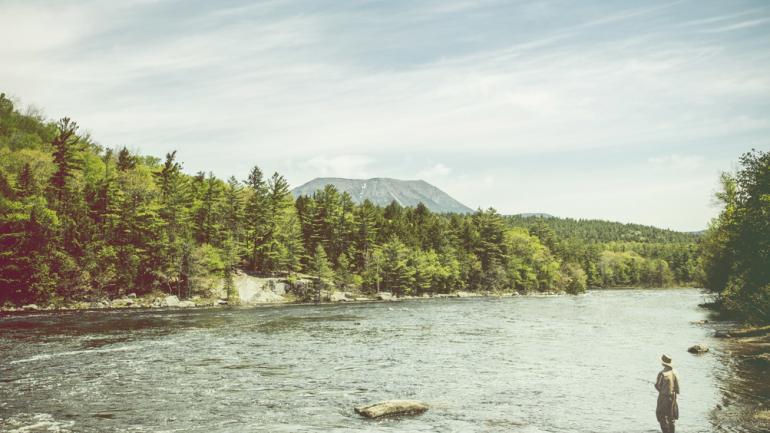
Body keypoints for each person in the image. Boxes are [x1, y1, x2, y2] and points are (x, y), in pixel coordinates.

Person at [655, 354, 680, 433]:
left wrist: (660, 389)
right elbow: (677, 387)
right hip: (673, 397)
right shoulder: (675, 372)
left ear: (663, 363)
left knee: (661, 416)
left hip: (663, 397)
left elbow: (657, 386)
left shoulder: (662, 373)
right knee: (671, 417)